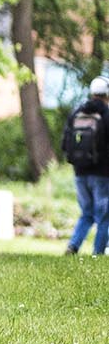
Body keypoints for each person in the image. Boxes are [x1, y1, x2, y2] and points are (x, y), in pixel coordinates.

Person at [66, 75, 109, 257]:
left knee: (87, 213)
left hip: (79, 171)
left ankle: (73, 246)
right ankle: (98, 253)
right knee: (104, 216)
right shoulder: (106, 114)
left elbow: (65, 143)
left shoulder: (77, 112)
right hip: (102, 173)